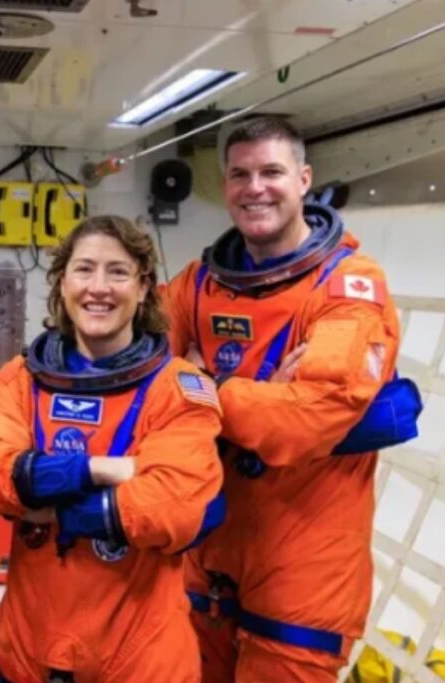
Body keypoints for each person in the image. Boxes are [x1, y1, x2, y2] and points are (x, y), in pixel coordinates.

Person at [162, 116, 405, 682]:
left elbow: (309, 418)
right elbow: (141, 381)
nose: (255, 188)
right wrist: (265, 397)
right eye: (239, 174)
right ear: (225, 187)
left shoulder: (349, 287)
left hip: (305, 562)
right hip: (206, 554)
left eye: (272, 171)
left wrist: (208, 389)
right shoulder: (197, 285)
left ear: (303, 179)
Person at [0, 215, 225, 683]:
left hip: (141, 661)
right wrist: (105, 470)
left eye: (118, 272)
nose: (98, 287)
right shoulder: (22, 382)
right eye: (84, 270)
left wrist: (52, 505)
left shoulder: (179, 390)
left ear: (144, 288)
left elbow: (174, 507)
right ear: (62, 282)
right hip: (30, 654)